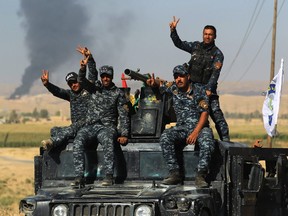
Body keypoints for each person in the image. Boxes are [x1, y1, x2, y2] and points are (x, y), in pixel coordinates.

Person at [146, 65, 215, 188]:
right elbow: (160, 83)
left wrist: (195, 132)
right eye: (176, 77)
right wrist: (153, 83)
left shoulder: (198, 90)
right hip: (182, 127)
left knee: (207, 140)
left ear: (188, 77)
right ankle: (175, 173)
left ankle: (201, 175)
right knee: (166, 137)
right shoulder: (173, 88)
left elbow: (205, 113)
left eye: (181, 76)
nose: (178, 79)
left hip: (199, 127)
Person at [169, 16, 230, 142]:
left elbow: (215, 73)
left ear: (215, 37)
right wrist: (173, 31)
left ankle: (226, 142)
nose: (207, 37)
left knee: (216, 114)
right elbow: (179, 44)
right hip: (192, 88)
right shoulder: (195, 47)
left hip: (207, 89)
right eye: (205, 34)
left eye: (210, 35)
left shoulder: (218, 54)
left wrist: (209, 88)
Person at [76, 46, 130, 186]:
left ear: (112, 77)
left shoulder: (118, 93)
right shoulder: (95, 88)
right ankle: (79, 177)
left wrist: (124, 134)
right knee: (78, 140)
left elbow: (123, 114)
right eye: (103, 76)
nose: (105, 78)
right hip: (91, 125)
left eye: (108, 76)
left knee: (107, 141)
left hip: (107, 127)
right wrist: (84, 66)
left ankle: (109, 176)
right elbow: (83, 81)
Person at [40, 69, 91, 151]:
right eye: (70, 84)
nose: (73, 85)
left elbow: (93, 77)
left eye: (75, 82)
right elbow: (59, 92)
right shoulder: (71, 94)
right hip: (75, 127)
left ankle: (52, 142)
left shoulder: (88, 92)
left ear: (79, 81)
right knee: (54, 130)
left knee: (71, 129)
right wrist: (47, 85)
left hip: (88, 125)